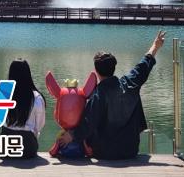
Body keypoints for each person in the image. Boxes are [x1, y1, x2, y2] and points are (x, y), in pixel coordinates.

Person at [58, 30, 166, 160]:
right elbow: (144, 65)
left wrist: (71, 135)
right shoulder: (130, 83)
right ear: (114, 67)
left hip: (104, 152)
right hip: (130, 150)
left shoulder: (98, 94)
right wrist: (155, 46)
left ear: (96, 71)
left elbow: (88, 123)